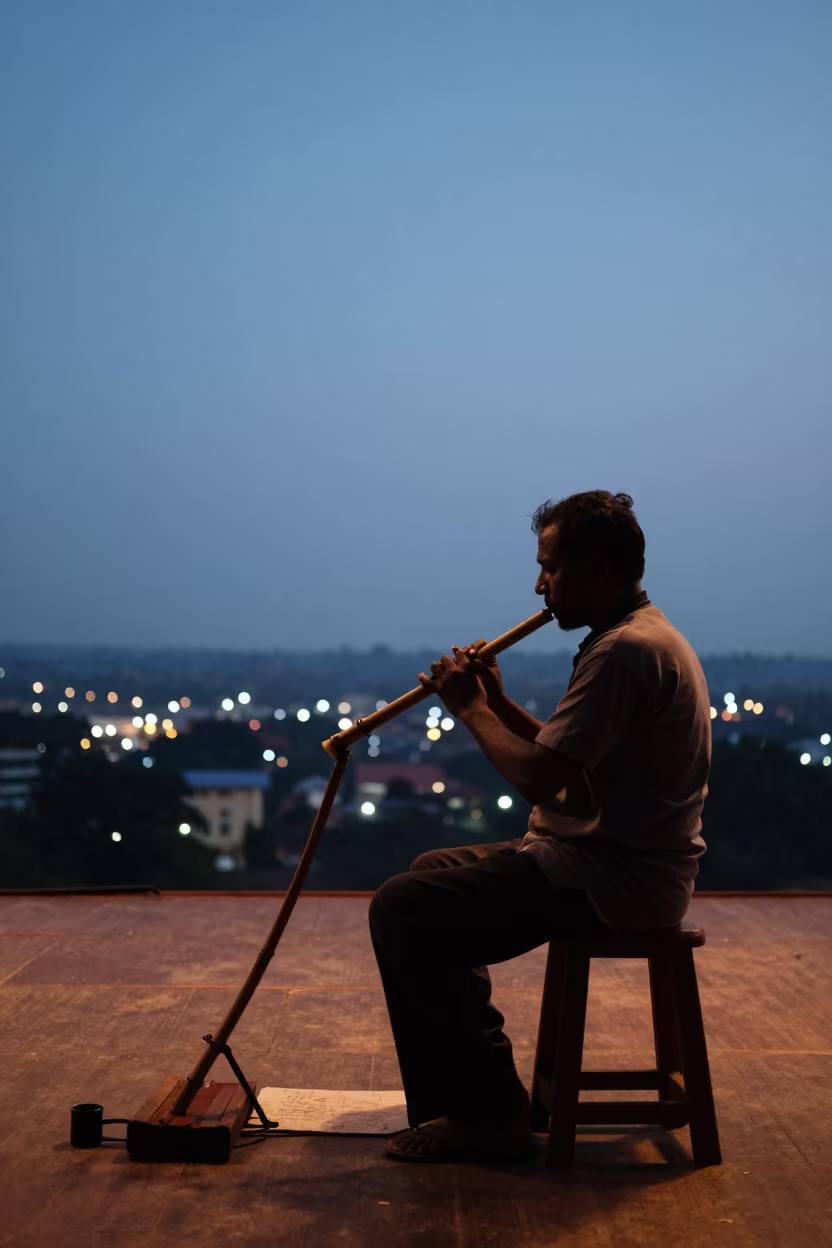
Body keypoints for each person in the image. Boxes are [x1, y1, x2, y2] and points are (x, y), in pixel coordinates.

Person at [369, 490, 711, 1163]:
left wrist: (469, 711)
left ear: (599, 568)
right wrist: (496, 700)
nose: (539, 584)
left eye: (550, 567)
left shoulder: (626, 652)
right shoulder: (632, 639)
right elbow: (563, 760)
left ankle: (483, 1117)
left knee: (402, 910)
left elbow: (535, 779)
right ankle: (488, 1099)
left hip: (616, 879)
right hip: (602, 860)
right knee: (431, 875)